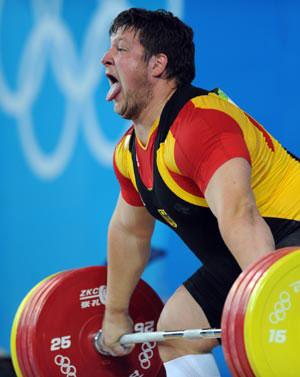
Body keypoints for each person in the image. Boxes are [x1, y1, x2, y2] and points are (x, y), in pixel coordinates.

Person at [100, 8, 300, 377]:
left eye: (121, 49)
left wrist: (272, 305)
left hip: (288, 235)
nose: (105, 58)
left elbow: (242, 214)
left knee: (266, 345)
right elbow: (129, 232)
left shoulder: (201, 124)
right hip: (254, 248)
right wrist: (115, 313)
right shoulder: (129, 153)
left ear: (157, 65)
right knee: (177, 330)